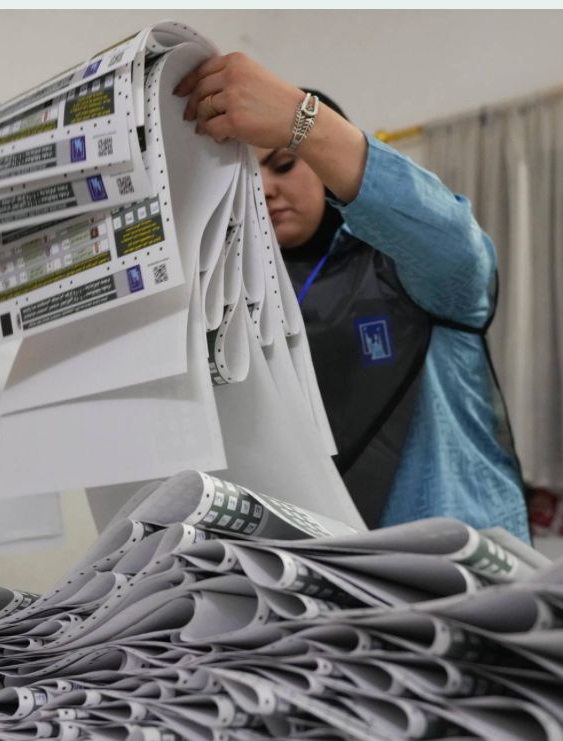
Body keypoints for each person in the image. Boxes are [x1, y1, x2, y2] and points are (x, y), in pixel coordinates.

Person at [175, 55, 529, 539]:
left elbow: (461, 251)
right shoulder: (238, 293)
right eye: (249, 178)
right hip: (328, 565)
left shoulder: (403, 265)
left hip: (458, 556)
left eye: (284, 164)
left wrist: (304, 121)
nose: (267, 189)